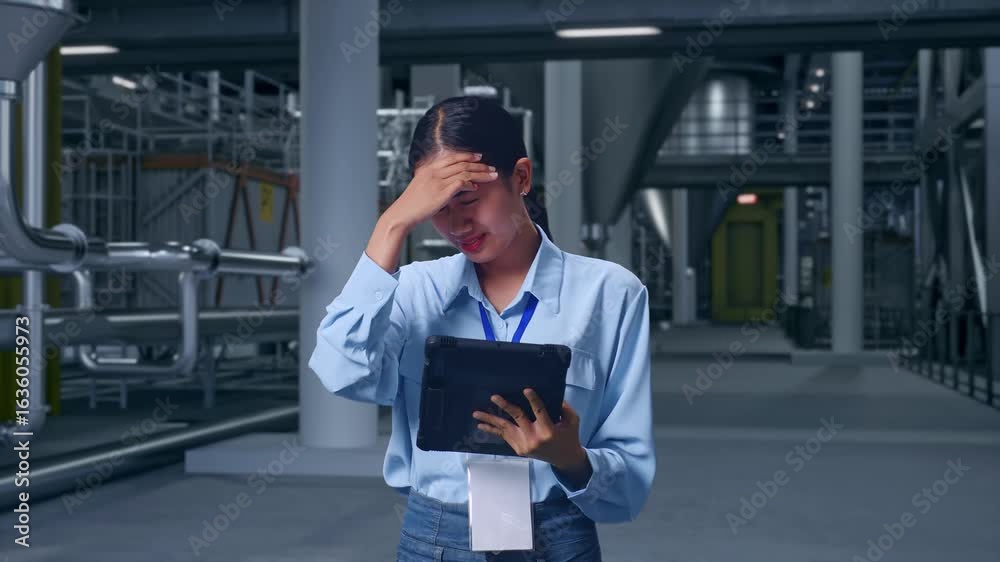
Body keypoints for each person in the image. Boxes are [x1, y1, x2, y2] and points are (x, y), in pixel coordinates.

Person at [308, 96, 654, 561]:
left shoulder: (611, 295)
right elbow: (341, 373)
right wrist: (390, 226)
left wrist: (569, 455)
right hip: (437, 538)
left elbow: (629, 480)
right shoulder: (412, 291)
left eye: (468, 199)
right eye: (436, 207)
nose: (456, 224)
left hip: (557, 533)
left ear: (522, 178)